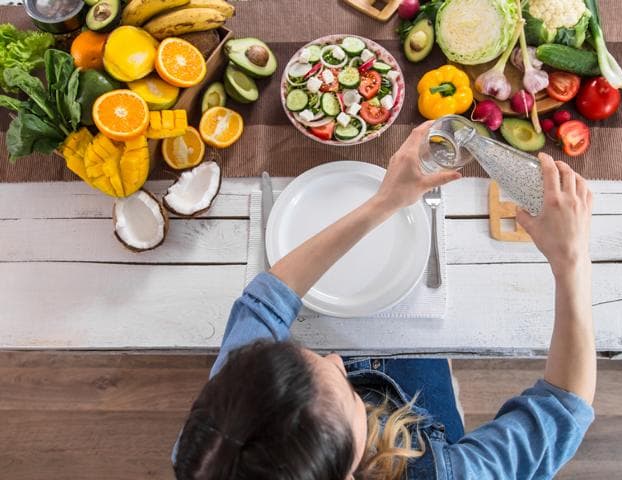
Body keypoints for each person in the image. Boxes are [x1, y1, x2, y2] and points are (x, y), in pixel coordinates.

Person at [173, 121, 595, 480]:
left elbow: (263, 304)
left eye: (309, 357)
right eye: (342, 386)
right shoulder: (445, 472)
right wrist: (571, 259)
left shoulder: (213, 448)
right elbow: (562, 409)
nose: (337, 357)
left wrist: (386, 201)